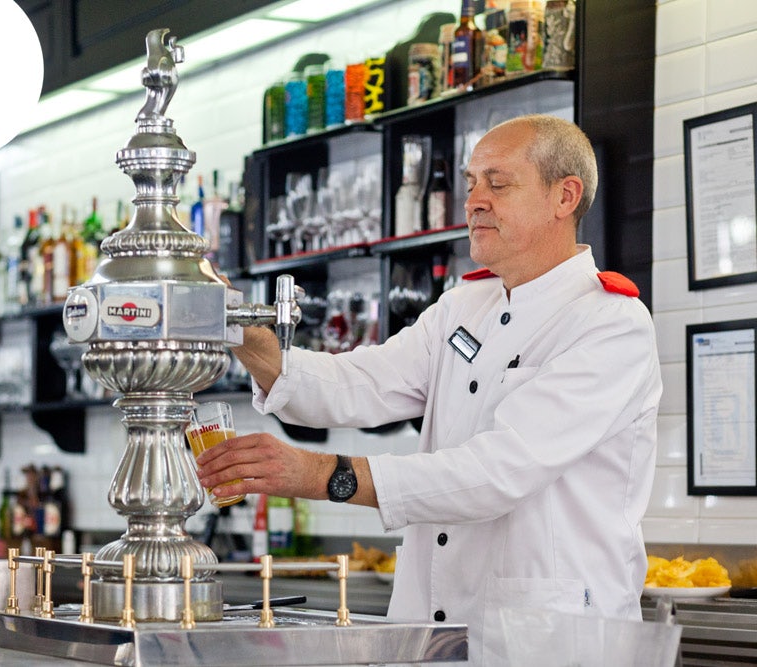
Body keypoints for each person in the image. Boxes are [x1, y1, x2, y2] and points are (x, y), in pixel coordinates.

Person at [196, 114, 662, 666]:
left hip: (550, 642)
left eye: (498, 182)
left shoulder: (609, 323)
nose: (474, 200)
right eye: (470, 184)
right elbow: (360, 384)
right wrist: (243, 333)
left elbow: (495, 473)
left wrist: (322, 474)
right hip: (431, 633)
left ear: (566, 196)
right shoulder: (464, 307)